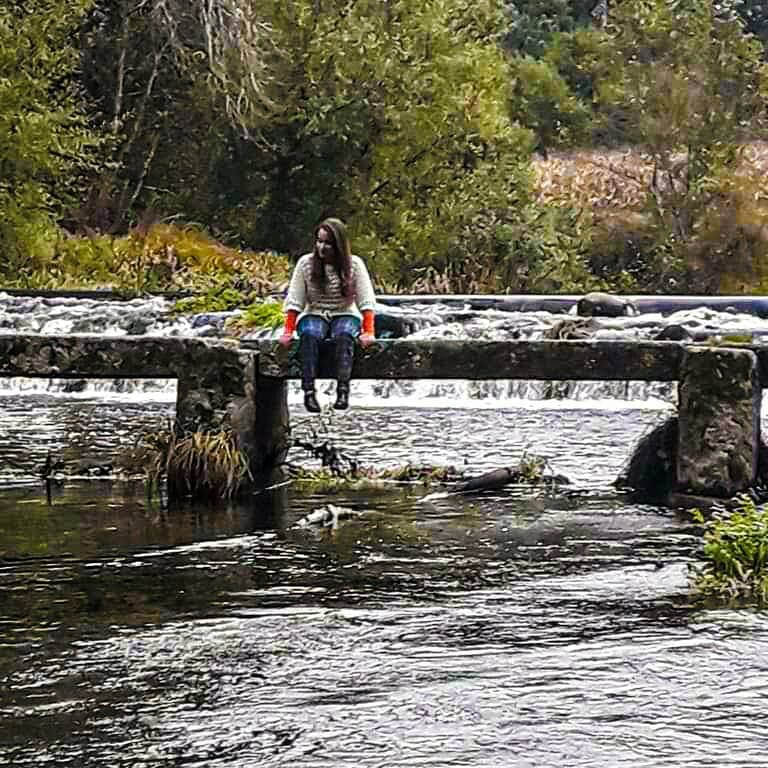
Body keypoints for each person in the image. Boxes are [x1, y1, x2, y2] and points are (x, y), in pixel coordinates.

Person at [278, 217, 376, 412]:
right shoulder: (306, 263)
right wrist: (288, 331)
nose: (322, 247)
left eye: (327, 243)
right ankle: (308, 392)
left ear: (338, 244)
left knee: (344, 335)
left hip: (344, 311)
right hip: (314, 311)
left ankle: (342, 390)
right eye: (319, 241)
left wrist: (368, 330)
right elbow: (295, 298)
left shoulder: (354, 264)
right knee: (310, 335)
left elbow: (366, 299)